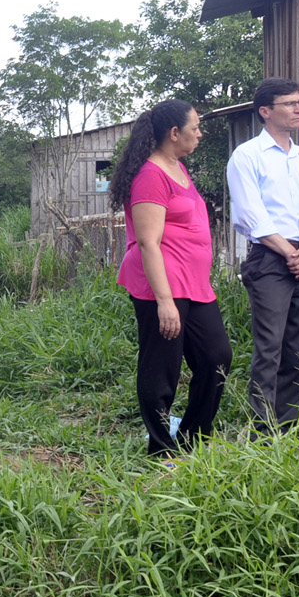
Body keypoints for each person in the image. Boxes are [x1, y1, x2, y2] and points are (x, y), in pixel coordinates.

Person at [114, 99, 232, 458]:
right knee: (161, 369)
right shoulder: (151, 175)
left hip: (193, 285)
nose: (200, 133)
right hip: (162, 285)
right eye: (195, 127)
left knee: (217, 358)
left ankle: (193, 440)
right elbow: (148, 242)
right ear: (174, 132)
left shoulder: (177, 168)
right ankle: (161, 452)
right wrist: (165, 302)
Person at [227, 78, 299, 431]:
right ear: (266, 112)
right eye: (289, 103)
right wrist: (291, 253)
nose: (298, 109)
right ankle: (262, 427)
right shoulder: (247, 156)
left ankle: (288, 422)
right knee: (270, 344)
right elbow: (251, 215)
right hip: (271, 257)